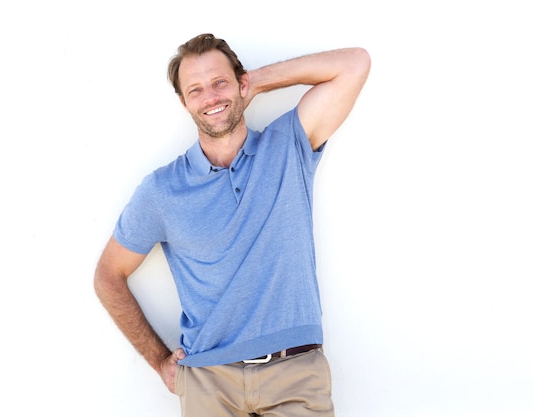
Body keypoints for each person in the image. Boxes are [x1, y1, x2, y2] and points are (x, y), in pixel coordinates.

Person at [94, 33, 370, 416]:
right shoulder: (162, 190)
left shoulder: (288, 144)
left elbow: (354, 63)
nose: (211, 97)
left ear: (240, 83)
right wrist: (159, 361)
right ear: (183, 102)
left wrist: (256, 81)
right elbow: (108, 275)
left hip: (295, 372)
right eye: (196, 89)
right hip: (209, 379)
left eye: (220, 82)